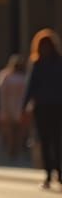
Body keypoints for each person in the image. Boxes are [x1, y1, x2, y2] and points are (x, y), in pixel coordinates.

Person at [23, 28, 62, 189]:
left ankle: (59, 172)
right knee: (44, 141)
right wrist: (24, 106)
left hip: (58, 105)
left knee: (57, 140)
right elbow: (31, 86)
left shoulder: (59, 61)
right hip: (42, 107)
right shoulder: (37, 63)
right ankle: (47, 174)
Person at [0, 53, 28, 161]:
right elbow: (2, 93)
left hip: (21, 107)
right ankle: (10, 152)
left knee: (20, 132)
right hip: (8, 106)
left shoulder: (25, 76)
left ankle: (17, 152)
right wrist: (3, 109)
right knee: (9, 132)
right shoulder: (6, 76)